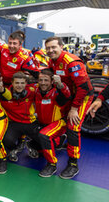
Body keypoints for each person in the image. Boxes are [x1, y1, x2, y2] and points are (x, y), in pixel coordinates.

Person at [46, 36, 93, 179]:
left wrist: (74, 109)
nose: (51, 50)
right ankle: (60, 140)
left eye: (53, 47)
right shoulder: (52, 61)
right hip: (67, 94)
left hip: (82, 96)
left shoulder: (72, 62)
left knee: (73, 125)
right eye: (48, 48)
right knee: (56, 118)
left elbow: (83, 87)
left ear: (61, 47)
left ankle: (73, 164)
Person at [34, 69, 71, 177]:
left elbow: (67, 95)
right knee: (34, 137)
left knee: (44, 136)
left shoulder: (56, 91)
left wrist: (60, 84)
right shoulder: (36, 90)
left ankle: (52, 164)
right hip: (43, 123)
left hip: (58, 122)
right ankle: (59, 141)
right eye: (41, 80)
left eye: (46, 80)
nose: (43, 83)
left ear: (51, 82)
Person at [0, 72, 39, 162]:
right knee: (7, 140)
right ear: (12, 83)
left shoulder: (33, 91)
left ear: (26, 83)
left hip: (30, 122)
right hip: (13, 123)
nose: (19, 86)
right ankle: (15, 148)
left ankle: (31, 145)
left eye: (22, 83)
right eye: (17, 83)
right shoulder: (5, 94)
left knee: (44, 138)